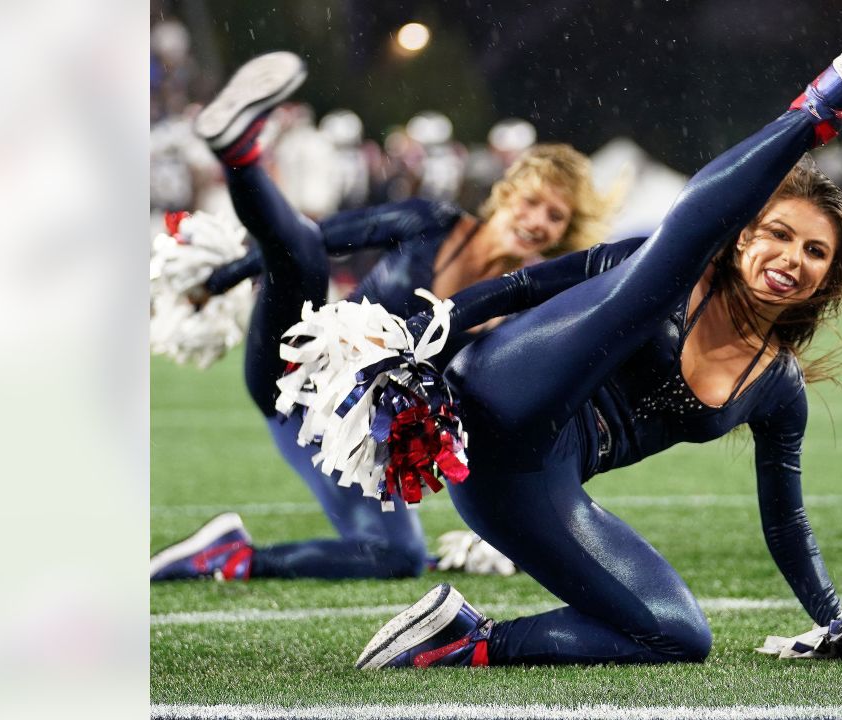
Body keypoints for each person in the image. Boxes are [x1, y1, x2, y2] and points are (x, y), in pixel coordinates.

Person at [347, 43, 842, 668]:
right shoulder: (665, 261)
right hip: (500, 394)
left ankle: (463, 639)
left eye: (814, 251)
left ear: (827, 277)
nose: (792, 259)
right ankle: (818, 109)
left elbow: (786, 521)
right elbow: (527, 287)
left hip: (525, 486)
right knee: (663, 270)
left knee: (679, 636)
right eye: (778, 233)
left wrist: (838, 620)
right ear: (743, 234)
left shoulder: (777, 386)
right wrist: (430, 327)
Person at [149, 51, 612, 582]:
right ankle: (239, 150)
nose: (536, 222)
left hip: (349, 434)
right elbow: (315, 239)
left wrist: (498, 532)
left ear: (566, 234)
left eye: (555, 217)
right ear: (505, 195)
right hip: (297, 374)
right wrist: (221, 278)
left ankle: (226, 555)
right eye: (532, 202)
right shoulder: (429, 222)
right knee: (304, 256)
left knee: (398, 558)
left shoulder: (520, 308)